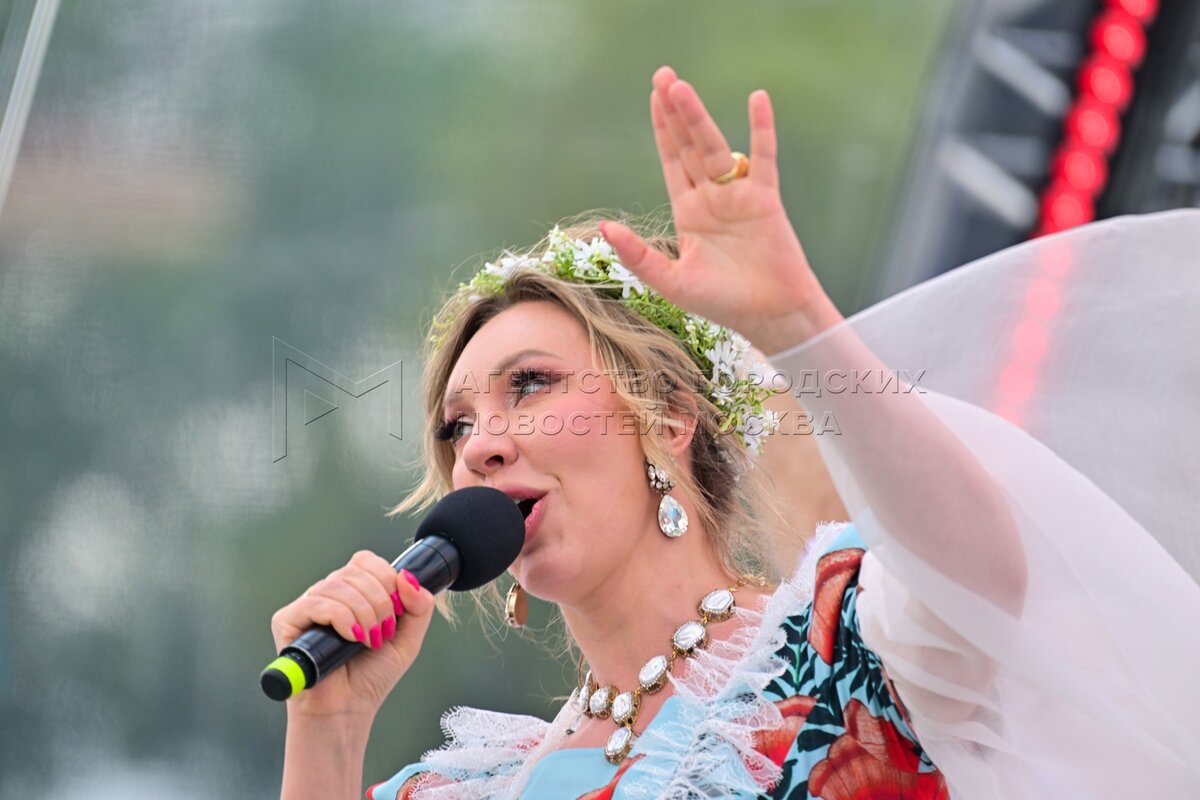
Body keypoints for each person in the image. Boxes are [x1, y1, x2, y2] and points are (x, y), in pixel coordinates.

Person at [271, 66, 1200, 799]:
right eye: (458, 426)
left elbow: (983, 580)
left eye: (532, 384)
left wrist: (794, 323)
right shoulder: (460, 788)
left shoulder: (841, 647)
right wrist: (330, 731)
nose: (481, 444)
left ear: (670, 418)